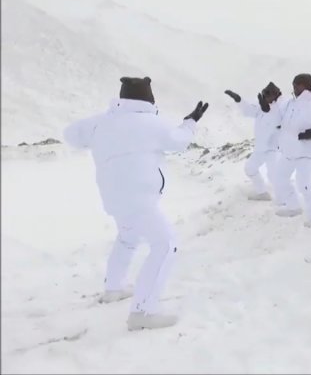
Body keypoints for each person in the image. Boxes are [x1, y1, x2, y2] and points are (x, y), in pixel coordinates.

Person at [63, 76, 208, 331]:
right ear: (148, 99)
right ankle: (143, 311)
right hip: (139, 199)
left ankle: (113, 289)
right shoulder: (151, 123)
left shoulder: (101, 121)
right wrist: (190, 121)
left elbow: (71, 134)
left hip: (113, 197)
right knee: (166, 245)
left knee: (127, 239)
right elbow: (179, 141)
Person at [271, 73, 311, 226]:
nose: (294, 88)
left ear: (305, 85)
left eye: (296, 85)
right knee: (280, 178)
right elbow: (278, 116)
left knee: (304, 184)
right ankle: (293, 206)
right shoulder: (290, 103)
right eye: (293, 85)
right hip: (288, 149)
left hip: (306, 151)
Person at [224, 83, 283, 201]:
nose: (266, 97)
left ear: (275, 95)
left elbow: (276, 120)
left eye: (268, 95)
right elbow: (249, 110)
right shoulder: (262, 106)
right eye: (264, 94)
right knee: (250, 169)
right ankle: (262, 193)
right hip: (260, 149)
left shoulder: (281, 106)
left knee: (273, 176)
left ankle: (286, 200)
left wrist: (267, 110)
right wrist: (239, 100)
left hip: (273, 149)